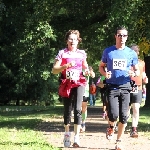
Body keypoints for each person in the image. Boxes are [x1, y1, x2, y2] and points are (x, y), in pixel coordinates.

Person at [99, 26, 140, 150]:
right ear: (115, 36)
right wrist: (105, 74)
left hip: (126, 86)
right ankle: (111, 127)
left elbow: (137, 70)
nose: (122, 37)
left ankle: (119, 141)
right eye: (120, 35)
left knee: (123, 116)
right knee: (113, 114)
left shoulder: (131, 53)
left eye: (124, 35)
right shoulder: (108, 51)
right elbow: (101, 66)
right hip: (112, 86)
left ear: (127, 37)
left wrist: (134, 73)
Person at [51, 30, 89, 148]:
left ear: (78, 41)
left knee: (78, 109)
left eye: (75, 39)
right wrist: (64, 66)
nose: (73, 41)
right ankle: (67, 133)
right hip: (66, 83)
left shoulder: (82, 53)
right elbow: (54, 70)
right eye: (70, 39)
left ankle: (76, 137)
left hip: (79, 83)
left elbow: (85, 66)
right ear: (67, 41)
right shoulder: (62, 53)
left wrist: (87, 71)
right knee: (68, 110)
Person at [128, 44, 148, 138]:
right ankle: (120, 125)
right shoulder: (126, 62)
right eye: (133, 50)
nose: (135, 52)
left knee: (136, 108)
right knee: (126, 110)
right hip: (126, 87)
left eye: (136, 51)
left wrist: (145, 78)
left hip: (138, 87)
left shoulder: (142, 62)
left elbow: (143, 73)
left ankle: (134, 129)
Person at [80, 66, 95, 132]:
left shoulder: (88, 68)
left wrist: (90, 72)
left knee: (83, 109)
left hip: (85, 92)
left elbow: (93, 75)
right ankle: (79, 123)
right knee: (78, 108)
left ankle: (83, 122)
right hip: (77, 90)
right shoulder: (77, 67)